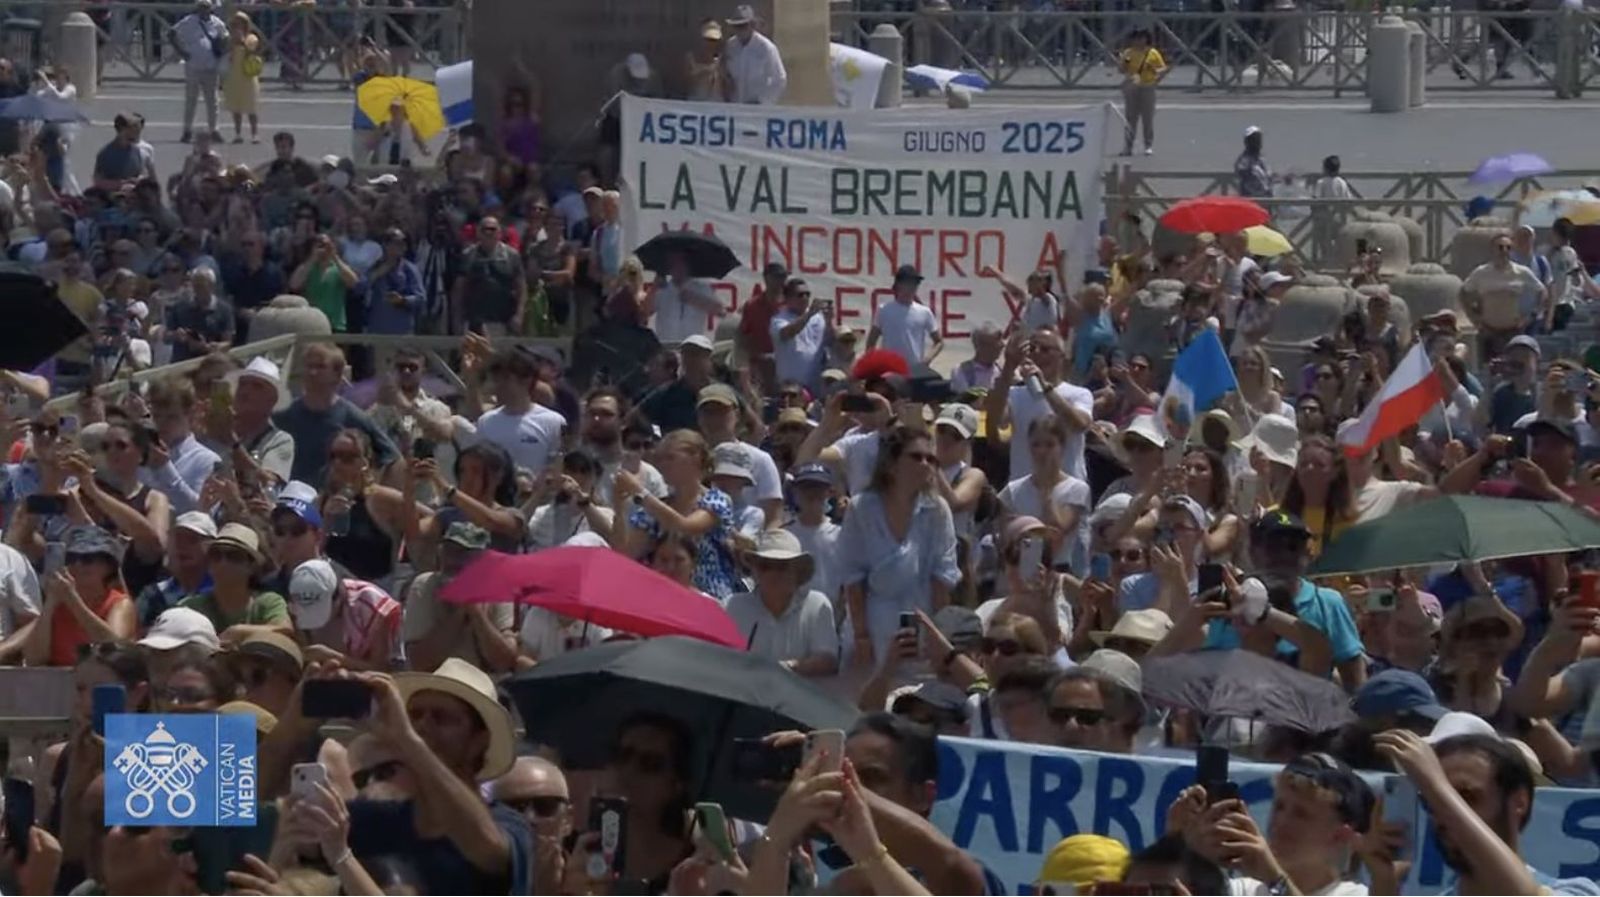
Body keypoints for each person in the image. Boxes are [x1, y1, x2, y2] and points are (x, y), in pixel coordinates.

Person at [261, 659, 533, 895]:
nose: (423, 725)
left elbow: (487, 849)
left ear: (479, 742)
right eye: (414, 715)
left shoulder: (511, 826)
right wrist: (292, 724)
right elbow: (236, 810)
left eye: (442, 718)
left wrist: (409, 740)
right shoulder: (376, 820)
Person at [1377, 729, 1599, 894]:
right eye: (1431, 802)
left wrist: (1437, 787)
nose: (1442, 815)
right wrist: (1382, 882)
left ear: (1519, 802)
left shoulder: (1577, 891)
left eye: (1467, 797)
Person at [1175, 751, 1386, 895]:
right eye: (1279, 806)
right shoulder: (1243, 890)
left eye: (1302, 814)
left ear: (1340, 835)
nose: (1281, 821)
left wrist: (1275, 880)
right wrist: (1180, 841)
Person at [838, 425, 959, 666]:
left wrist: (939, 638)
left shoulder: (938, 510)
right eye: (916, 457)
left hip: (920, 628)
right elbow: (853, 579)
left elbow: (942, 578)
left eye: (931, 459)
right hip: (870, 630)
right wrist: (862, 637)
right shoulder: (861, 508)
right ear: (891, 463)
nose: (925, 464)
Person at [611, 429, 740, 601]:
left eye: (670, 458)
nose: (663, 465)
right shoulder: (656, 507)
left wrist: (640, 491)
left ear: (695, 458)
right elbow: (624, 554)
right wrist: (619, 506)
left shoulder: (716, 500)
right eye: (660, 459)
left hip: (710, 597)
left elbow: (685, 527)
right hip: (664, 596)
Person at [273, 343, 399, 484]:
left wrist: (370, 487)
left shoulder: (352, 416)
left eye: (320, 367)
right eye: (309, 366)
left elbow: (392, 457)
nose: (312, 372)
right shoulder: (285, 416)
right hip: (292, 494)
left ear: (337, 375)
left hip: (334, 495)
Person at [403, 522, 517, 674]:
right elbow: (419, 662)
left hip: (483, 682)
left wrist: (476, 613)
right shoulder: (425, 585)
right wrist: (459, 613)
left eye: (464, 555)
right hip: (437, 681)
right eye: (449, 551)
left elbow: (504, 663)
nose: (453, 561)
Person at [984, 327, 1096, 482]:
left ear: (1061, 357)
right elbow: (996, 421)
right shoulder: (1014, 394)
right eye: (1032, 349)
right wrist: (1009, 366)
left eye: (1045, 349)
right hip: (1023, 487)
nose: (1037, 353)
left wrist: (1046, 388)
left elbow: (1080, 425)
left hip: (1067, 487)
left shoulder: (1079, 394)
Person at [724, 529, 839, 675]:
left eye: (782, 566)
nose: (773, 574)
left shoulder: (817, 605)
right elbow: (720, 657)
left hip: (799, 689)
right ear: (755, 571)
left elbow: (827, 660)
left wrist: (785, 669)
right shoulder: (733, 606)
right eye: (766, 566)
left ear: (798, 572)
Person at [21, 525, 135, 667]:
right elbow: (34, 659)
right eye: (71, 559)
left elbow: (115, 651)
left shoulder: (119, 604)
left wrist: (73, 600)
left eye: (87, 559)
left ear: (108, 566)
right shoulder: (58, 604)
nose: (78, 565)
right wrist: (50, 604)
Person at [177, 522, 289, 639]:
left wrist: (238, 631)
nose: (223, 563)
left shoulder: (267, 603)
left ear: (251, 567)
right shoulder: (191, 607)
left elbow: (285, 631)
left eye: (234, 556)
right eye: (216, 555)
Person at [286, 558, 402, 670]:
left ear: (338, 597)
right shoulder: (293, 611)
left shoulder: (372, 607)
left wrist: (334, 658)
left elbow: (382, 668)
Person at [473, 346, 567, 477]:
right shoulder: (485, 422)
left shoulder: (554, 422)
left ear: (527, 380)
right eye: (496, 379)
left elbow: (557, 469)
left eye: (505, 379)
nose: (498, 385)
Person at [491, 756, 572, 897]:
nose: (529, 818)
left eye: (545, 806)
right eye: (514, 809)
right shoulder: (473, 882)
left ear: (567, 820)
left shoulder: (590, 883)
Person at [1463, 232, 1546, 360]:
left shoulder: (1521, 272)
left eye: (1508, 248)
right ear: (1492, 249)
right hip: (1488, 331)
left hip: (1513, 331)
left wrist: (1532, 315)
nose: (1504, 251)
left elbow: (1542, 292)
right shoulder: (1481, 272)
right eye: (1500, 247)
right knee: (1487, 366)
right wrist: (1473, 317)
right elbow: (1464, 292)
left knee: (1513, 365)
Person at [173, 0, 228, 143]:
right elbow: (172, 33)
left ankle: (214, 130)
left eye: (206, 7)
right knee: (191, 100)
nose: (204, 9)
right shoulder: (189, 21)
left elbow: (226, 38)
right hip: (193, 66)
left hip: (211, 67)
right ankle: (187, 130)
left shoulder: (217, 23)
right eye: (201, 7)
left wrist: (221, 50)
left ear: (211, 8)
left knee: (213, 101)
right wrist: (181, 51)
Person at [867, 265, 942, 368]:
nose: (912, 287)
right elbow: (871, 341)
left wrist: (928, 359)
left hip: (914, 370)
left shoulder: (924, 312)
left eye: (915, 283)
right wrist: (872, 364)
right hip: (889, 369)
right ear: (898, 284)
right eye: (908, 283)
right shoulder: (884, 310)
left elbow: (939, 342)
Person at [770, 276, 833, 392]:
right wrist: (809, 314)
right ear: (787, 298)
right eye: (800, 295)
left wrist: (829, 322)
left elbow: (829, 342)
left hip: (815, 386)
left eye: (807, 294)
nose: (805, 298)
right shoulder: (779, 319)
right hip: (791, 387)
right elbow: (787, 333)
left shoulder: (818, 318)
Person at [723, 4, 787, 104]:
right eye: (736, 26)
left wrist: (762, 101)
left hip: (758, 108)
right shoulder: (730, 46)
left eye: (743, 26)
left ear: (752, 25)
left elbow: (779, 79)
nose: (740, 30)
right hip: (734, 106)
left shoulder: (766, 48)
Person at [1118, 28, 1165, 156]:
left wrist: (1155, 74)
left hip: (1148, 86)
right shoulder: (1128, 52)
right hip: (1132, 86)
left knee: (1147, 118)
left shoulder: (1152, 53)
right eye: (1136, 38)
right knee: (1130, 118)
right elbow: (1121, 70)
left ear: (1146, 39)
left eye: (1141, 38)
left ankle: (1148, 145)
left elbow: (1162, 69)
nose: (1138, 41)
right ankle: (1128, 146)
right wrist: (1124, 63)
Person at [221, 10, 260, 144]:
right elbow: (225, 53)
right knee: (236, 107)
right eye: (235, 23)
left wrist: (242, 40)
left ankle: (255, 134)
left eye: (240, 23)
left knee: (251, 107)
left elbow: (251, 51)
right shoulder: (229, 38)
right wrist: (231, 42)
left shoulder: (252, 38)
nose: (237, 26)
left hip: (248, 76)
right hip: (233, 76)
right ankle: (238, 133)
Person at [1235, 125, 1273, 198]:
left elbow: (1268, 176)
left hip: (1266, 198)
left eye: (1258, 139)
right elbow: (1241, 171)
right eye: (1254, 139)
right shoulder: (1244, 159)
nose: (1257, 142)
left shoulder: (1262, 159)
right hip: (1251, 199)